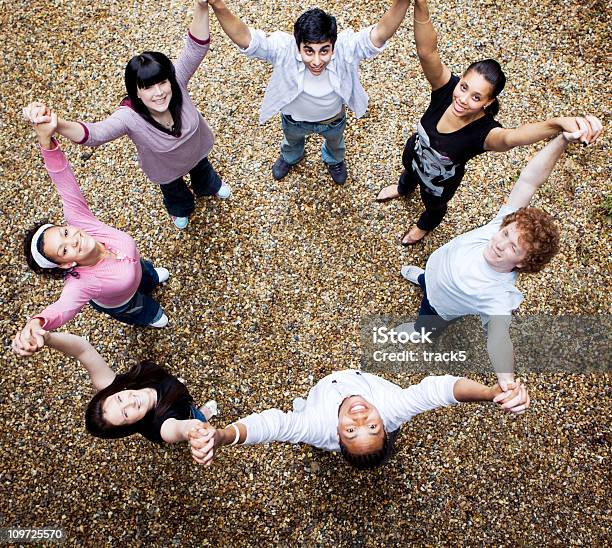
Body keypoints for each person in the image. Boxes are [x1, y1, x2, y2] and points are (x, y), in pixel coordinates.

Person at [376, 0, 601, 245]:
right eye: (464, 87)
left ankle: (423, 226)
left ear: (488, 101)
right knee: (408, 175)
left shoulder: (483, 133)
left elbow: (513, 138)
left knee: (433, 207)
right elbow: (427, 51)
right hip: (414, 156)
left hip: (438, 186)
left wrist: (557, 123)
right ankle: (401, 188)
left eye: (476, 97)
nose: (463, 99)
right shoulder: (446, 89)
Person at [397, 119, 602, 394]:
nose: (500, 243)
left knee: (428, 319)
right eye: (506, 234)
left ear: (522, 263)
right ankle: (422, 278)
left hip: (440, 306)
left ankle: (421, 330)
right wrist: (562, 140)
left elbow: (498, 339)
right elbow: (530, 179)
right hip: (436, 271)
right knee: (427, 278)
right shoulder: (501, 225)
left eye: (513, 248)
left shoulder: (498, 296)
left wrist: (506, 379)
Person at [22, 0, 230, 230]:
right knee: (174, 193)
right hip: (165, 170)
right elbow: (96, 133)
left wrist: (201, 6)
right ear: (136, 92)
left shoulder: (177, 82)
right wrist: (57, 123)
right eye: (148, 87)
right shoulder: (129, 117)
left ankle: (210, 187)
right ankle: (181, 209)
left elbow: (196, 47)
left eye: (162, 82)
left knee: (204, 173)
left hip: (197, 152)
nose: (159, 93)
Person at [199, 0, 417, 185]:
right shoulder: (283, 49)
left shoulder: (345, 49)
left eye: (324, 51)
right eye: (308, 51)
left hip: (333, 121)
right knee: (291, 141)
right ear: (297, 45)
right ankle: (291, 155)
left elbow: (380, 33)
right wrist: (217, 4)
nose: (316, 61)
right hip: (294, 121)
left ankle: (334, 159)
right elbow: (245, 38)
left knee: (336, 143)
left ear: (334, 44)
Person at [18, 112, 172, 352]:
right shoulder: (82, 285)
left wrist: (46, 142)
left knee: (147, 272)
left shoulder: (80, 221)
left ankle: (150, 278)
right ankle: (150, 315)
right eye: (65, 249)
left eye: (66, 233)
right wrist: (38, 322)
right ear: (65, 264)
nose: (74, 240)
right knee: (140, 307)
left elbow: (63, 180)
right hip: (123, 301)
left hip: (136, 267)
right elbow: (63, 307)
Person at [187, 370, 529, 470]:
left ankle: (304, 404)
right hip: (357, 377)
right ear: (386, 424)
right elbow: (438, 390)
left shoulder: (319, 427)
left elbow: (273, 425)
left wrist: (223, 436)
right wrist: (489, 393)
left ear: (337, 436)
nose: (361, 416)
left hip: (319, 399)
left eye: (352, 430)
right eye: (373, 427)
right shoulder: (393, 408)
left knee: (298, 417)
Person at [11, 330, 216, 446]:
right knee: (194, 416)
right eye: (126, 414)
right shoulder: (163, 427)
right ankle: (202, 414)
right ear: (130, 425)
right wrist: (193, 430)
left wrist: (46, 338)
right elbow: (178, 429)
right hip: (182, 410)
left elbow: (82, 350)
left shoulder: (112, 385)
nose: (130, 401)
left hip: (171, 387)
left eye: (119, 400)